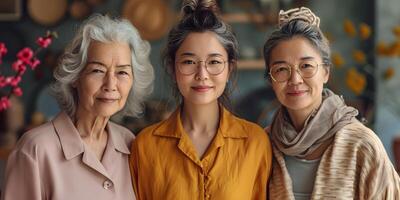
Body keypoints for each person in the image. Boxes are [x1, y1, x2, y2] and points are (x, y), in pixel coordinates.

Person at [129, 0, 272, 199]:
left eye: (214, 62)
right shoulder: (145, 146)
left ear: (229, 68)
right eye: (189, 62)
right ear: (172, 68)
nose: (202, 74)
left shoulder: (255, 142)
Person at [2, 14, 154, 200]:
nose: (110, 84)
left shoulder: (130, 144)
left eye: (122, 72)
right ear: (75, 77)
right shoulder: (35, 149)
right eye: (97, 70)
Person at [263, 7, 400, 199]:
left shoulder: (362, 146)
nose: (295, 79)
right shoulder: (262, 145)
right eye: (281, 69)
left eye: (306, 66)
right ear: (271, 79)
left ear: (326, 72)